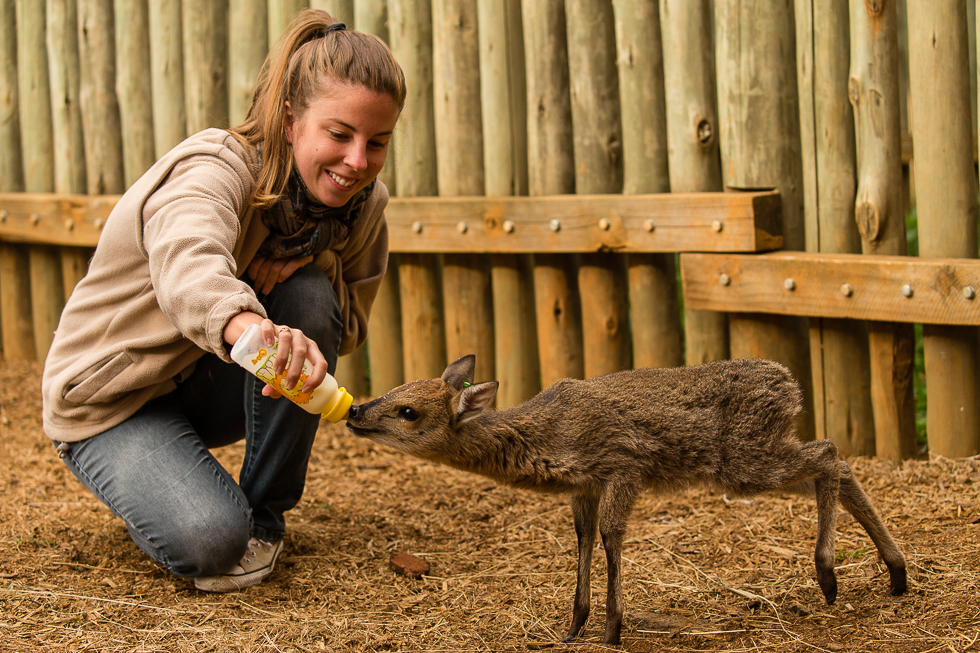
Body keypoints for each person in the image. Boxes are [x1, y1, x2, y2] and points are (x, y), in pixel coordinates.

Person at [40, 10, 405, 592]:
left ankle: (264, 519)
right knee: (210, 538)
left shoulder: (360, 207)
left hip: (201, 381)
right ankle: (174, 495)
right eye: (339, 134)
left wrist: (313, 262)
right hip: (111, 397)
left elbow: (345, 326)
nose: (357, 162)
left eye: (377, 142)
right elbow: (188, 267)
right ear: (290, 120)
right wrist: (251, 325)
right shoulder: (214, 166)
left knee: (309, 297)